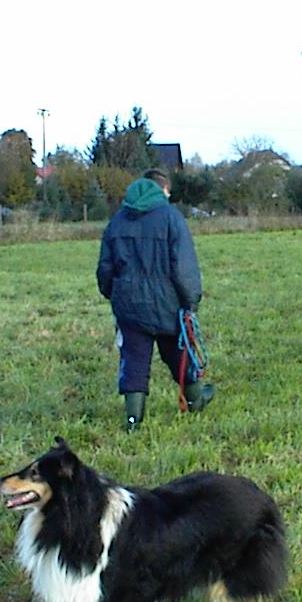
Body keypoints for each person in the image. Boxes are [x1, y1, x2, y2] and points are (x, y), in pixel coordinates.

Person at [97, 168, 214, 431]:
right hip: (168, 305)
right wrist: (191, 301)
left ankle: (133, 420)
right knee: (179, 354)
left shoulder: (117, 220)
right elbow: (184, 267)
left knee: (134, 360)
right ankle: (195, 400)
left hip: (129, 306)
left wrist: (111, 293)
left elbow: (105, 268)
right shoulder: (172, 218)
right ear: (162, 190)